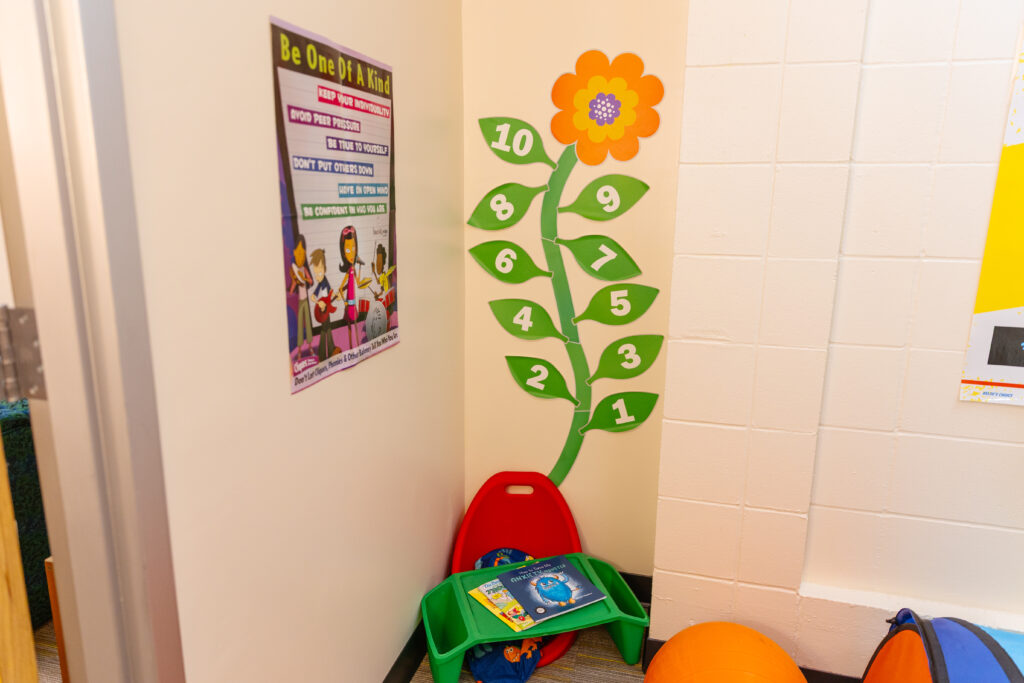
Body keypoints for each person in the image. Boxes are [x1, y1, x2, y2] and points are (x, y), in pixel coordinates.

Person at [337, 226, 372, 347]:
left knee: (355, 324)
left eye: (353, 248)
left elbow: (357, 283)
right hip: (349, 304)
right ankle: (351, 346)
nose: (351, 252)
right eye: (347, 250)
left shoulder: (354, 269)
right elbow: (340, 289)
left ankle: (356, 344)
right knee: (349, 326)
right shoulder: (348, 271)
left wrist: (361, 271)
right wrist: (345, 303)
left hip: (354, 303)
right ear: (343, 252)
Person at [309, 248, 340, 361]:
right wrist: (318, 302)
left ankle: (329, 351)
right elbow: (313, 296)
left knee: (327, 330)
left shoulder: (325, 281)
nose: (318, 276)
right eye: (316, 274)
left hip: (327, 311)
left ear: (324, 269)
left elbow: (330, 293)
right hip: (322, 313)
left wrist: (337, 296)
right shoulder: (320, 284)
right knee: (324, 331)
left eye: (320, 272)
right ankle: (323, 354)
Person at [288, 235, 314, 357]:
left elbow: (311, 281)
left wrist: (304, 278)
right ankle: (299, 351)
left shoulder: (303, 269)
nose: (300, 257)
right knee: (300, 326)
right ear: (294, 253)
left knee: (308, 324)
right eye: (298, 254)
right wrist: (294, 283)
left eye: (302, 254)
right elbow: (292, 289)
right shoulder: (295, 270)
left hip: (306, 301)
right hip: (300, 302)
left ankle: (310, 348)